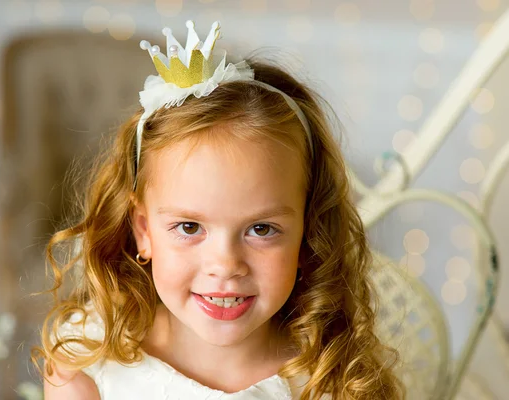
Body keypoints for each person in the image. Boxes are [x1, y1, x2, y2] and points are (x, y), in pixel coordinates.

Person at [33, 20, 404, 400]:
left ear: (308, 230)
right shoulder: (87, 363)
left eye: (261, 229)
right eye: (190, 227)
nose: (225, 264)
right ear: (143, 229)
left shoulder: (332, 381)